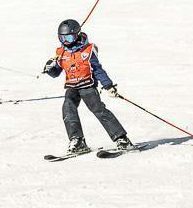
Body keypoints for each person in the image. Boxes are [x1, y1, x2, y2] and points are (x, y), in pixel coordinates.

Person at [43, 18, 132, 155]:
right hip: (72, 87)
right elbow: (56, 73)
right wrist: (49, 69)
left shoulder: (88, 50)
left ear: (77, 35)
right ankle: (77, 141)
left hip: (87, 85)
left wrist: (108, 85)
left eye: (69, 38)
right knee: (68, 109)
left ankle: (122, 139)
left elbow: (97, 69)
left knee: (99, 110)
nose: (65, 41)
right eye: (62, 38)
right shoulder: (61, 53)